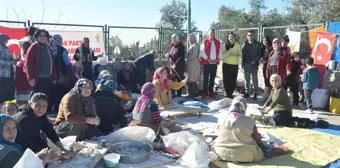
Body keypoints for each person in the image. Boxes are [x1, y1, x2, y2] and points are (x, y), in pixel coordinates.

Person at [211, 96, 290, 163]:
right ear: (244, 107)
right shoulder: (249, 120)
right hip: (246, 155)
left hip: (221, 153)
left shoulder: (222, 118)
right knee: (265, 149)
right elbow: (257, 140)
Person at [0, 114, 66, 168]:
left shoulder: (10, 146)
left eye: (14, 128)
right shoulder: (6, 151)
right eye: (7, 129)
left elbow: (23, 163)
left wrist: (41, 158)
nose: (12, 132)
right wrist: (41, 160)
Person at [25, 29, 57, 100]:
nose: (43, 38)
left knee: (46, 99)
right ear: (37, 37)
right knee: (37, 99)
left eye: (45, 36)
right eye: (40, 36)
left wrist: (54, 77)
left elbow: (52, 64)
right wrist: (30, 78)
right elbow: (28, 64)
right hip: (38, 79)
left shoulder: (48, 48)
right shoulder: (34, 47)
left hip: (48, 79)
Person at [49, 34, 77, 113]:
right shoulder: (62, 50)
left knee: (51, 94)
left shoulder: (48, 48)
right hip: (60, 76)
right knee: (60, 94)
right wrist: (72, 75)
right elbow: (67, 64)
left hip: (48, 76)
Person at [200, 29, 222, 99]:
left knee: (212, 78)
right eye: (210, 33)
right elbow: (202, 52)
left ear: (214, 34)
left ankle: (211, 92)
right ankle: (204, 93)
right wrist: (208, 60)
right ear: (208, 34)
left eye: (213, 33)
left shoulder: (218, 42)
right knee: (205, 79)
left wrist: (217, 59)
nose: (211, 34)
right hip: (206, 63)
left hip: (214, 63)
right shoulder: (204, 41)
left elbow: (220, 52)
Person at [242, 31, 262, 99]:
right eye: (248, 35)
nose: (250, 36)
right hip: (246, 65)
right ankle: (247, 93)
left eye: (251, 35)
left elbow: (259, 54)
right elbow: (243, 55)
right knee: (247, 79)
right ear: (247, 36)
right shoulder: (244, 44)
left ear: (253, 36)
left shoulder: (257, 44)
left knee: (254, 80)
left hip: (254, 65)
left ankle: (256, 93)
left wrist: (255, 61)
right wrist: (242, 64)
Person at [222, 32, 242, 98]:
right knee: (226, 79)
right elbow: (221, 55)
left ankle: (231, 93)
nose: (231, 38)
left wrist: (234, 54)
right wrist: (226, 54)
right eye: (230, 37)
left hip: (234, 65)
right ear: (228, 38)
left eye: (232, 37)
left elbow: (240, 54)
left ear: (234, 38)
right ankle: (227, 93)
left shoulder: (237, 45)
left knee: (233, 79)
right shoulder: (224, 45)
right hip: (226, 64)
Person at [0, 34, 16, 103]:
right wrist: (10, 61)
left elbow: (9, 59)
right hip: (2, 74)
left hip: (8, 73)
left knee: (7, 91)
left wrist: (15, 59)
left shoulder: (7, 48)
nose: (7, 42)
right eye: (6, 40)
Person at [186, 34, 201, 98]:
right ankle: (191, 93)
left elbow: (194, 55)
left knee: (193, 80)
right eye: (188, 38)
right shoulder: (191, 45)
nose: (189, 39)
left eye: (190, 38)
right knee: (190, 79)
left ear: (194, 39)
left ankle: (193, 94)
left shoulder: (195, 45)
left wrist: (187, 59)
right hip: (191, 65)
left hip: (194, 65)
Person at [260, 36, 273, 102]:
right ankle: (267, 96)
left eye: (265, 40)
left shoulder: (271, 48)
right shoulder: (262, 48)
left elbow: (272, 57)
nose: (264, 41)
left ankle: (267, 97)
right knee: (266, 80)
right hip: (264, 66)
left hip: (270, 66)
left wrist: (266, 61)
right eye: (263, 40)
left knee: (270, 81)